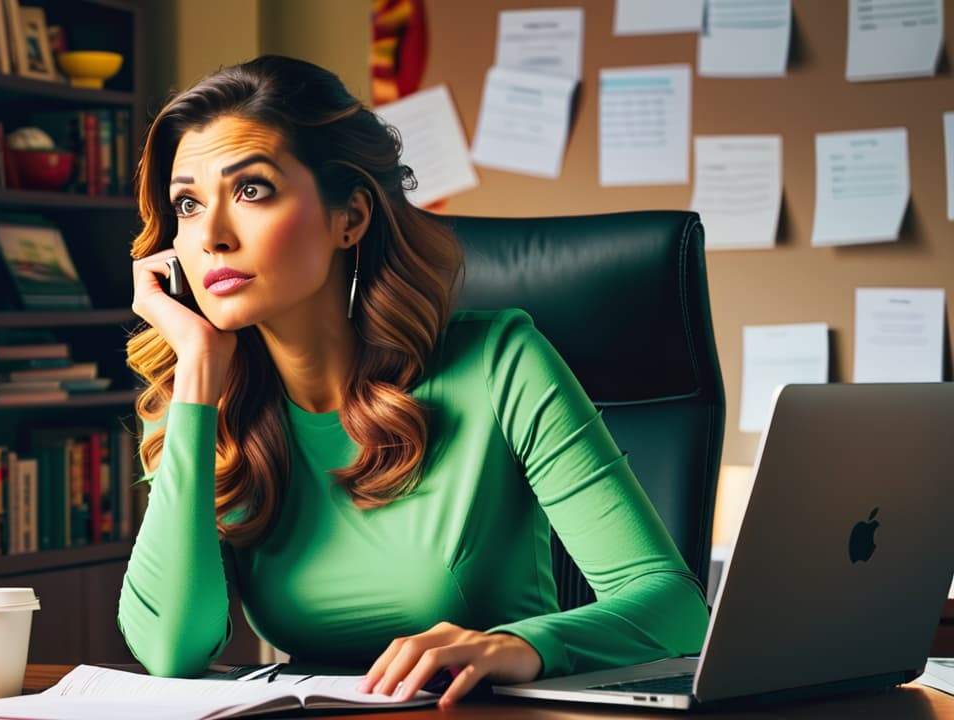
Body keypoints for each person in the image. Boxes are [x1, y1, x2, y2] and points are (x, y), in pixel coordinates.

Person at [120, 55, 707, 707]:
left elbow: (676, 607)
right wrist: (199, 370)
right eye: (188, 204)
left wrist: (520, 645)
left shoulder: (499, 361)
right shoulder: (203, 401)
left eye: (252, 190)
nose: (213, 237)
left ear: (351, 217)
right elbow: (170, 648)